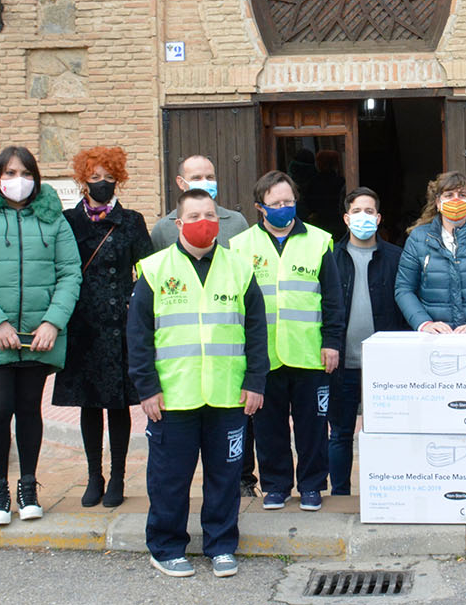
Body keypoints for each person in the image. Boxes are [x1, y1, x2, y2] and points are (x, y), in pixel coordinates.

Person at [128, 188, 268, 579]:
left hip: (228, 393)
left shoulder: (240, 268)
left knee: (225, 475)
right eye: (193, 216)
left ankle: (221, 544)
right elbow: (138, 337)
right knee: (169, 478)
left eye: (209, 214)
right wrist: (147, 388)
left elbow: (257, 332)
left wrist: (256, 381)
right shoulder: (153, 270)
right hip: (173, 396)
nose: (203, 222)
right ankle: (166, 545)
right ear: (178, 224)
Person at [0, 146, 81, 526]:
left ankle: (28, 486)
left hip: (38, 334)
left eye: (24, 173)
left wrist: (53, 322)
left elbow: (69, 273)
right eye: (8, 173)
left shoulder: (53, 220)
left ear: (36, 178)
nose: (16, 180)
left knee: (28, 410)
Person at [229, 170, 343, 512]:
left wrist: (332, 341)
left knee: (312, 427)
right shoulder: (240, 246)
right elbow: (237, 305)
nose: (283, 208)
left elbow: (333, 299)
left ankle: (311, 486)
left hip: (310, 353)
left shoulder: (320, 241)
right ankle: (276, 486)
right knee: (268, 427)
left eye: (288, 202)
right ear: (260, 208)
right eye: (275, 203)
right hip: (264, 357)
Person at [53, 146, 152, 507]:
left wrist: (134, 299)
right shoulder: (68, 221)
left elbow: (147, 268)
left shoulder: (133, 221)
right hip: (82, 325)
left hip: (118, 324)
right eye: (95, 178)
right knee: (88, 405)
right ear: (82, 180)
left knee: (118, 405)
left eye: (109, 178)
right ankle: (95, 476)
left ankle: (119, 478)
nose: (102, 185)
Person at [394, 172, 466, 378]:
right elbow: (403, 289)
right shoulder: (418, 239)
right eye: (449, 195)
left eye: (462, 195)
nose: (456, 200)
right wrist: (424, 323)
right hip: (433, 344)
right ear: (438, 202)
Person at [328, 187, 405, 495]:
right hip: (342, 362)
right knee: (340, 434)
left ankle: (384, 493)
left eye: (369, 211)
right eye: (357, 211)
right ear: (346, 218)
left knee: (385, 433)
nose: (364, 217)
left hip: (385, 365)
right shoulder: (330, 256)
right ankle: (340, 493)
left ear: (378, 217)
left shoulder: (396, 258)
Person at [149, 154, 250, 252]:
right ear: (181, 182)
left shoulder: (237, 222)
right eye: (196, 178)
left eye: (210, 177)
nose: (205, 182)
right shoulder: (163, 228)